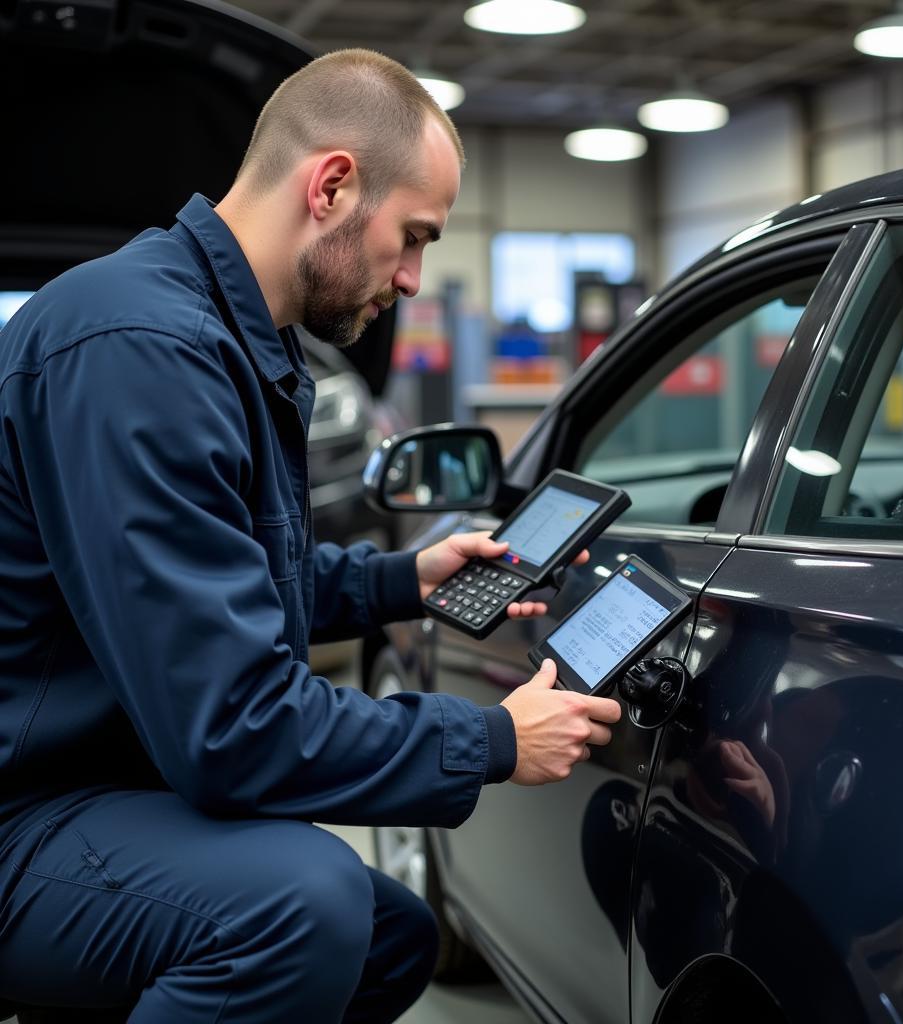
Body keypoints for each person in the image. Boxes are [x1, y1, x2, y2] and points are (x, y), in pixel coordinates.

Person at [0, 49, 621, 1023]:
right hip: (25, 816)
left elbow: (213, 575)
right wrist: (492, 738)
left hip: (102, 785)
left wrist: (396, 580)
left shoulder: (224, 336)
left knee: (391, 936)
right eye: (412, 237)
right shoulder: (141, 348)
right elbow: (231, 729)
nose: (414, 279)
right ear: (332, 185)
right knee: (299, 906)